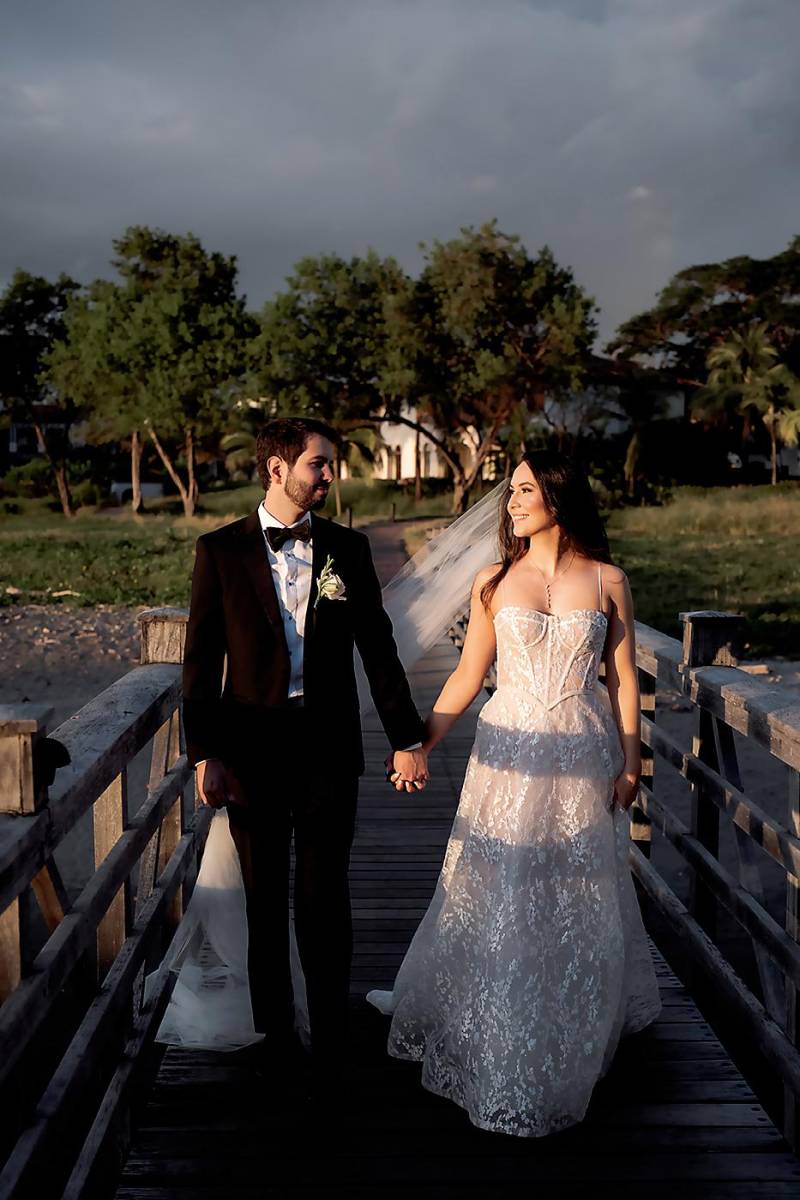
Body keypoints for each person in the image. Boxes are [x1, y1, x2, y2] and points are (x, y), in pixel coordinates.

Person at [368, 449, 662, 1138]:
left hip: (584, 751)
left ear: (560, 495)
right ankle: (489, 1022)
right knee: (497, 883)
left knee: (576, 888)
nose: (514, 503)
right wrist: (420, 744)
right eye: (512, 492)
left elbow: (622, 682)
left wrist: (630, 764)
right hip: (508, 750)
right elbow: (468, 676)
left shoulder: (608, 580)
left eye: (526, 490)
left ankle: (574, 1021)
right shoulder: (494, 580)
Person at [179, 416, 429, 1105]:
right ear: (277, 469)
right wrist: (207, 754)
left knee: (326, 902)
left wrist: (406, 737)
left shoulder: (347, 550)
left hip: (326, 750)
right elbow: (199, 665)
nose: (328, 477)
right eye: (319, 465)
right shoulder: (219, 553)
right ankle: (274, 1042)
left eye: (330, 466)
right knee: (265, 904)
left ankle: (330, 1039)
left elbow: (377, 649)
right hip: (252, 754)